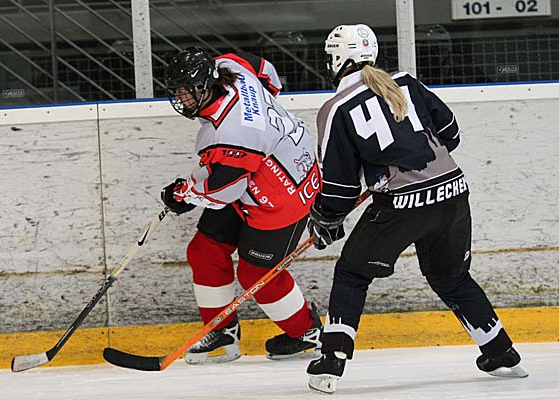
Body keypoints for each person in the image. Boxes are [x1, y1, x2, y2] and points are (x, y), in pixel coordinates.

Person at [305, 24, 528, 393]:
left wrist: (326, 217)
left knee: (352, 273)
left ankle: (332, 359)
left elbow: (341, 186)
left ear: (338, 58)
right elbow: (450, 133)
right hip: (453, 191)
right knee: (451, 277)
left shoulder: (335, 108)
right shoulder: (405, 81)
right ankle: (501, 352)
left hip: (402, 205)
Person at [160, 48, 323, 364]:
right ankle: (222, 330)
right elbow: (269, 74)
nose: (180, 97)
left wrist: (184, 195)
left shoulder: (234, 132)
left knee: (256, 274)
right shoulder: (229, 64)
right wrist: (265, 120)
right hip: (261, 172)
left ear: (205, 85)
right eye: (176, 89)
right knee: (205, 251)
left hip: (282, 197)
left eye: (185, 90)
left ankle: (307, 332)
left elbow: (224, 191)